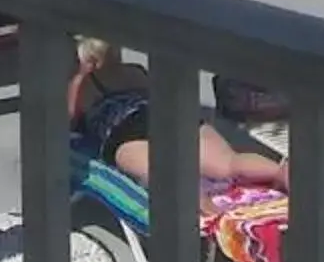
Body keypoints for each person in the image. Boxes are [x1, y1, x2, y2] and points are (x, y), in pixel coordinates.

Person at [68, 41, 283, 191]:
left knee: (163, 178)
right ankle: (280, 173)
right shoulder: (135, 70)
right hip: (167, 114)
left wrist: (78, 76)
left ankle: (205, 211)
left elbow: (70, 120)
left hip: (123, 131)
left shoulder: (84, 85)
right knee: (229, 163)